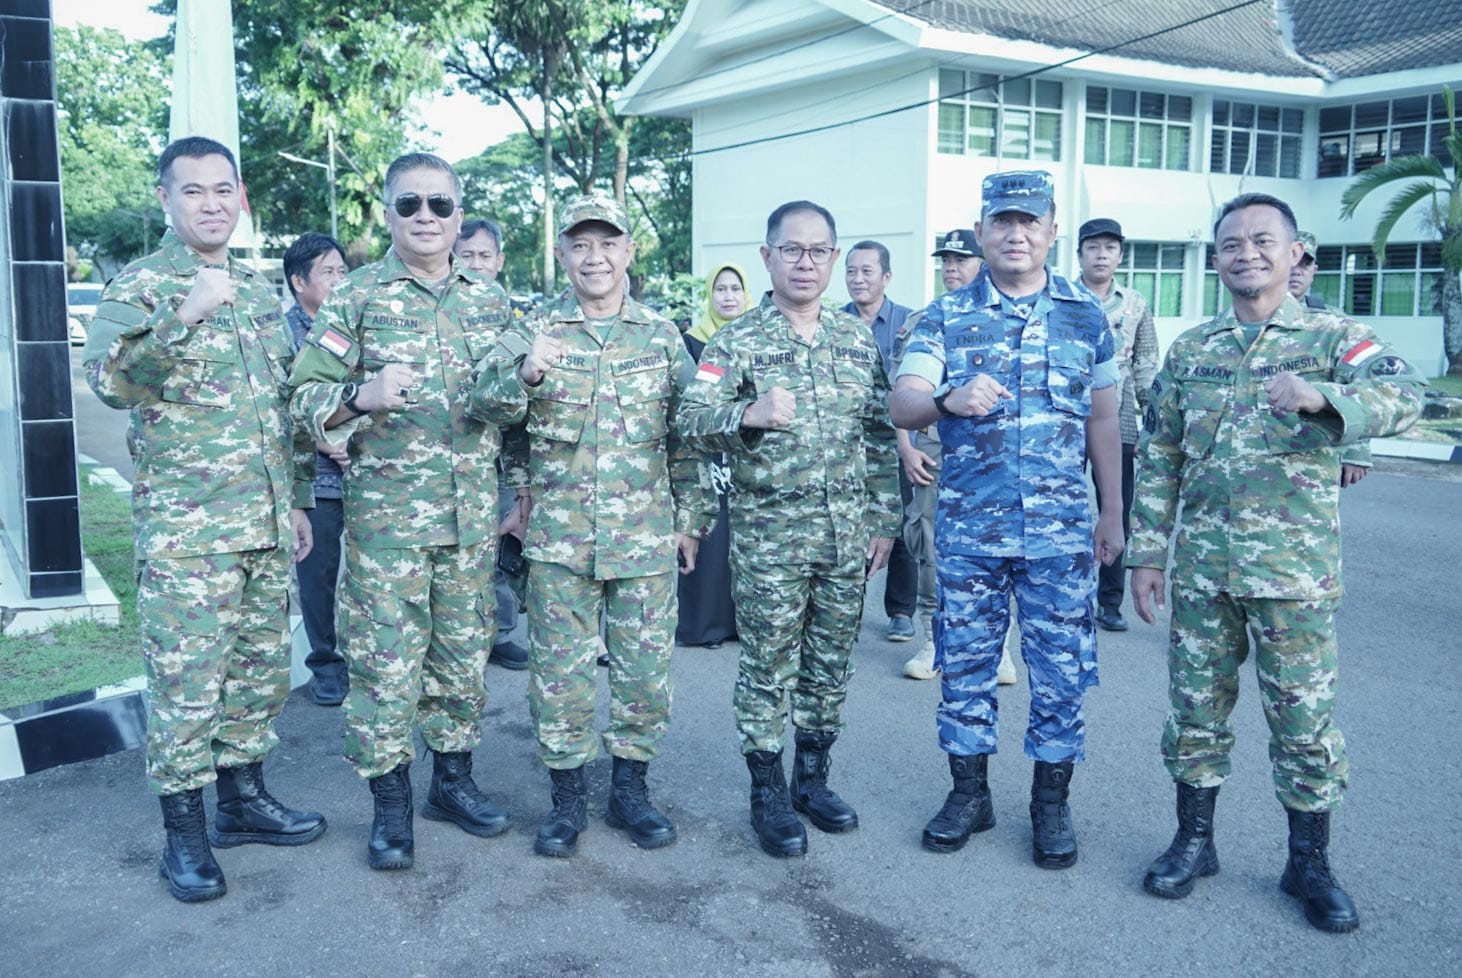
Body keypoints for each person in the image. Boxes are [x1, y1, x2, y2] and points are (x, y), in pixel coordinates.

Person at [1129, 192, 1425, 933]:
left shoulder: (1330, 337)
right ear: (1216, 259)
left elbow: (1407, 393)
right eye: (1231, 243)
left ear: (1296, 254)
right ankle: (1194, 842)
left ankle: (1309, 862)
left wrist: (1322, 395)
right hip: (1203, 571)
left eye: (1264, 241)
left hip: (1295, 578)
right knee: (1195, 716)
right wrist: (1145, 554)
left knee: (1303, 724)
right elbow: (1161, 452)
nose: (1247, 253)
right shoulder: (1193, 349)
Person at [84, 136, 325, 903]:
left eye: (224, 189)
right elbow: (111, 386)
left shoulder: (257, 291)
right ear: (166, 199)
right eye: (194, 191)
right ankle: (182, 837)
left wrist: (297, 501)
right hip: (189, 537)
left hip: (261, 525)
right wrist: (180, 317)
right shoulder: (142, 284)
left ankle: (243, 802)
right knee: (189, 688)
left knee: (258, 677)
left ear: (241, 197)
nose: (212, 203)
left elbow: (281, 410)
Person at [890, 171, 1124, 868]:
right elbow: (902, 404)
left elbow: (1105, 418)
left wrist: (1112, 511)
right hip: (970, 534)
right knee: (964, 665)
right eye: (1002, 222)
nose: (1015, 234)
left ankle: (1050, 805)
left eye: (1029, 222)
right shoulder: (944, 317)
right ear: (984, 230)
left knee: (1059, 672)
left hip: (1059, 537)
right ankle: (970, 795)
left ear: (1053, 230)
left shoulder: (1086, 315)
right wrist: (946, 400)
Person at [289, 152, 514, 871]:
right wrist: (360, 398)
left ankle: (452, 781)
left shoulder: (492, 301)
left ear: (457, 212)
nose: (426, 217)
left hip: (471, 520)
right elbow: (301, 400)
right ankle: (392, 805)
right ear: (387, 213)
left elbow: (524, 407)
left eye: (440, 205)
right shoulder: (353, 299)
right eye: (409, 204)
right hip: (388, 525)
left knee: (461, 656)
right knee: (386, 665)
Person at [471, 193, 713, 858]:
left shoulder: (662, 338)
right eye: (581, 243)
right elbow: (485, 407)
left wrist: (690, 521)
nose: (594, 255)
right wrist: (526, 371)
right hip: (559, 541)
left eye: (607, 242)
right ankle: (567, 800)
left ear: (629, 251)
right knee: (560, 675)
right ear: (563, 254)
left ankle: (631, 792)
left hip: (644, 540)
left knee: (642, 674)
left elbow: (687, 437)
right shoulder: (536, 330)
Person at [677, 201, 901, 859]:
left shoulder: (855, 338)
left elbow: (880, 435)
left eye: (818, 251)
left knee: (830, 665)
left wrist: (884, 520)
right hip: (769, 539)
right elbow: (691, 419)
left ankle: (812, 780)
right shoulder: (735, 341)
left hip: (844, 536)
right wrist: (748, 412)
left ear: (834, 259)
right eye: (792, 249)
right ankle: (767, 792)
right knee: (768, 666)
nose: (806, 262)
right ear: (767, 256)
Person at [894, 229, 1015, 687]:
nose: (950, 268)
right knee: (928, 543)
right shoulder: (926, 320)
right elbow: (899, 394)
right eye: (944, 260)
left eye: (960, 260)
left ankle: (999, 646)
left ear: (981, 262)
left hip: (988, 451)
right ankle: (932, 639)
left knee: (997, 546)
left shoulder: (1008, 317)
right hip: (930, 445)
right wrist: (906, 447)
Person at [452, 218, 531, 672]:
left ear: (499, 262)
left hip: (501, 457)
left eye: (485, 256)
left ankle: (500, 632)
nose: (477, 264)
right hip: (452, 454)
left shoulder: (507, 314)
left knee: (500, 548)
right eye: (468, 255)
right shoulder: (441, 309)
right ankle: (455, 640)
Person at [1075, 219, 1159, 633]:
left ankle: (1109, 601)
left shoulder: (1136, 304)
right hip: (1068, 414)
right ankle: (1066, 589)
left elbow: (1145, 364)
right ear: (1080, 254)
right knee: (1066, 505)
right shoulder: (1062, 298)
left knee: (1116, 508)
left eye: (1110, 247)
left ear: (1120, 255)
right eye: (1093, 247)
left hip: (1119, 416)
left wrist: (1152, 424)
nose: (1102, 254)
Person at [283, 232, 352, 706]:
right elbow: (283, 410)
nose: (339, 281)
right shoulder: (283, 334)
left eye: (342, 272)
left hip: (368, 474)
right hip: (317, 481)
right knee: (318, 576)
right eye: (328, 273)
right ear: (298, 281)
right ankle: (325, 664)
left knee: (375, 577)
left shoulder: (351, 326)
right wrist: (330, 443)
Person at [841, 241, 917, 645]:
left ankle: (901, 610)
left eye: (867, 271)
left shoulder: (908, 323)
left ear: (886, 277)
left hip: (900, 442)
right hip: (848, 446)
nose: (858, 279)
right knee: (849, 527)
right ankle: (846, 609)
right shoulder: (834, 323)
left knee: (901, 526)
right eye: (851, 271)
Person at [676, 263, 750, 648]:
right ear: (710, 295)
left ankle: (742, 622)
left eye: (735, 289)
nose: (728, 297)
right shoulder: (691, 342)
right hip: (707, 451)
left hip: (746, 449)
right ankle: (704, 625)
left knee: (742, 535)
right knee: (711, 533)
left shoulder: (755, 338)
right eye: (720, 289)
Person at [1290, 231, 1374, 489]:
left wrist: (1356, 450)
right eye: (1290, 261)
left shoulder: (1336, 327)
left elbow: (1361, 386)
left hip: (1316, 453)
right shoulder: (1241, 322)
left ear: (1314, 270)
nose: (1297, 270)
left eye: (1305, 263)